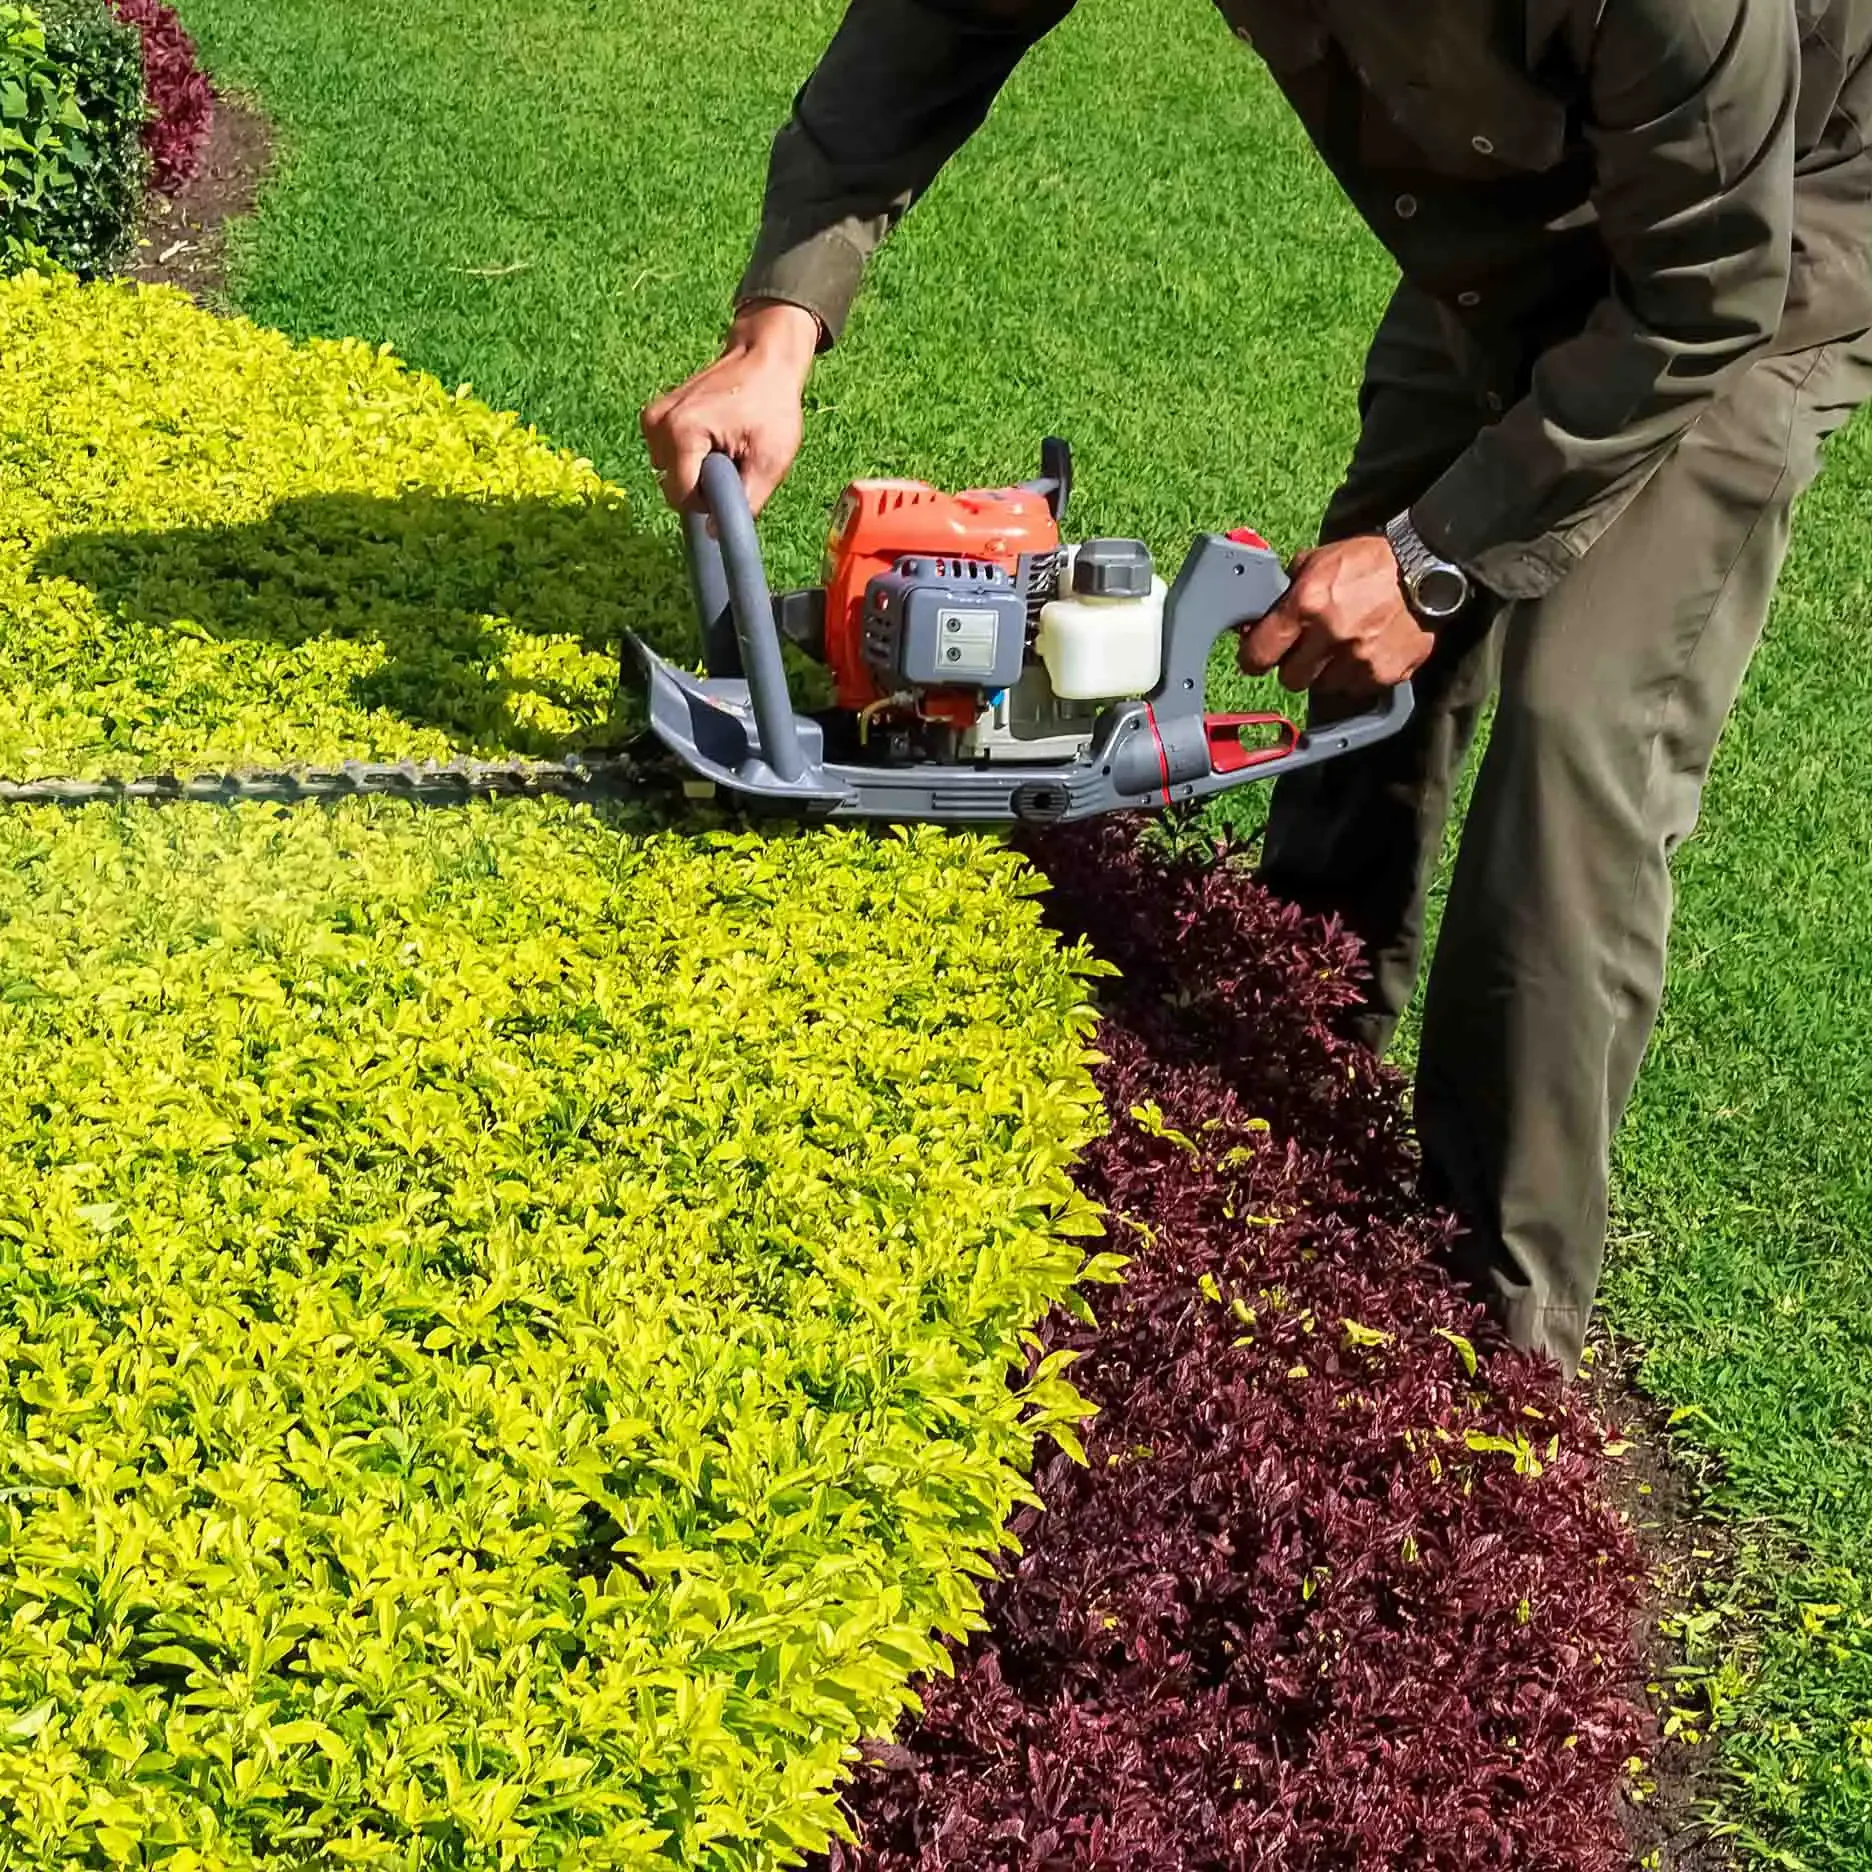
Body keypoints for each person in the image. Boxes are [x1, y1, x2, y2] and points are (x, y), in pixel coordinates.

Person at [641, 0, 1872, 1380]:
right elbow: (935, 23)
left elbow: (1707, 288)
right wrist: (780, 327)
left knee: (1578, 730)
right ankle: (1276, 1084)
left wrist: (1430, 561)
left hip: (1765, 236)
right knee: (1341, 671)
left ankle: (1497, 1350)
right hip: (1513, 230)